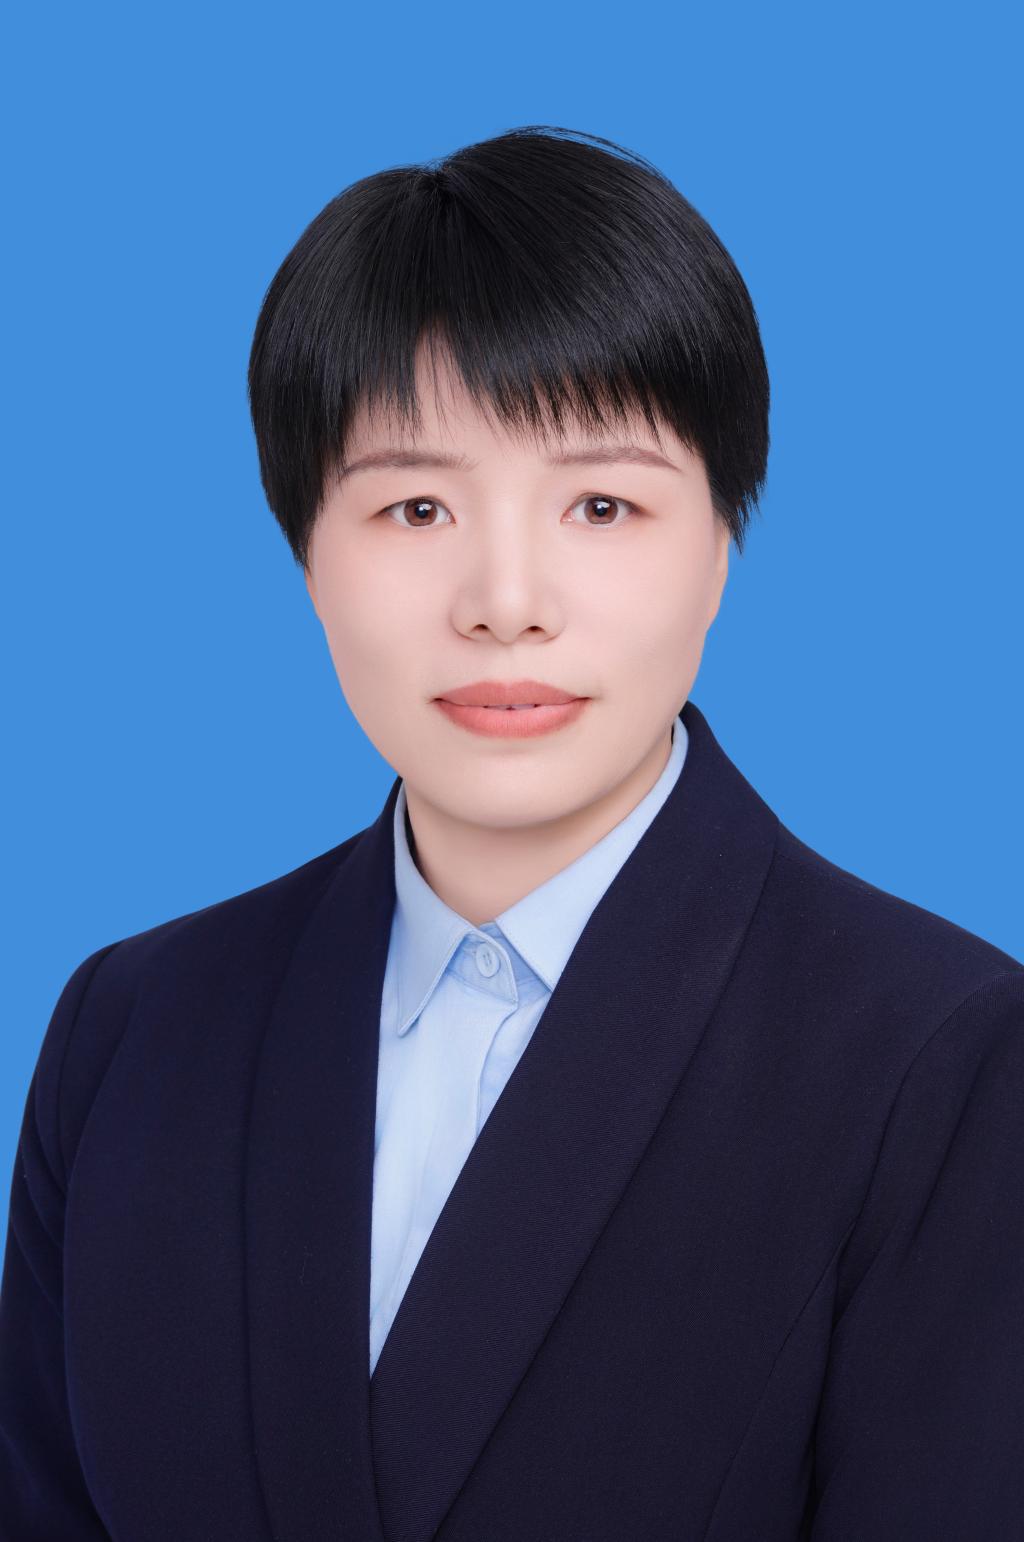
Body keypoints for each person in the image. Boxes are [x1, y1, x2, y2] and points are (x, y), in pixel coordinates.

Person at [1, 124, 1021, 1542]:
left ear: (721, 545)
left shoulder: (943, 1058)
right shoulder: (132, 1032)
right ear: (306, 550)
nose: (506, 602)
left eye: (602, 503)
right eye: (415, 505)